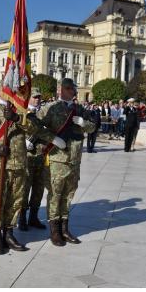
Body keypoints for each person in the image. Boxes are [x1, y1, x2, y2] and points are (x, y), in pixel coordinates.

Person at [0, 81, 57, 254]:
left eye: (13, 88)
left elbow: (36, 129)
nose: (12, 91)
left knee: (15, 201)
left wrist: (17, 118)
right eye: (7, 89)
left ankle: (9, 232)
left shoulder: (22, 111)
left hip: (19, 164)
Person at [37, 78, 96, 246]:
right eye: (70, 89)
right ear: (61, 89)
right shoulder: (50, 108)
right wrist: (52, 138)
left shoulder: (79, 109)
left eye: (74, 89)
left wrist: (84, 123)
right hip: (57, 159)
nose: (74, 92)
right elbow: (35, 127)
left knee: (69, 195)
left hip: (74, 159)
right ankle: (54, 231)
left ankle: (64, 228)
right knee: (55, 195)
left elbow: (92, 127)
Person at [18, 87, 48, 231]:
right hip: (28, 157)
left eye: (39, 97)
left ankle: (33, 217)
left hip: (41, 155)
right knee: (25, 188)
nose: (37, 99)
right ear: (28, 98)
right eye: (35, 97)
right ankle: (22, 217)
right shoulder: (23, 113)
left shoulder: (43, 113)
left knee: (39, 188)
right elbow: (19, 131)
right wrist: (23, 143)